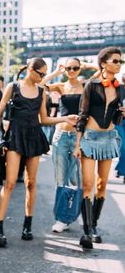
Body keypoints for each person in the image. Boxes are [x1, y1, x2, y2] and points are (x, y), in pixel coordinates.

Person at [0, 58, 78, 247]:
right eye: (42, 74)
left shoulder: (41, 92)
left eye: (45, 74)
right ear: (31, 70)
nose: (43, 77)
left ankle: (27, 225)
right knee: (11, 182)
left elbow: (44, 119)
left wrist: (66, 118)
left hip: (34, 137)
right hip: (14, 136)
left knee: (31, 183)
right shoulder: (12, 87)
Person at [73, 47, 125, 249]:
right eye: (115, 61)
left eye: (120, 62)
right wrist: (78, 144)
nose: (119, 65)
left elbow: (117, 117)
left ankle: (93, 225)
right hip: (89, 138)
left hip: (109, 137)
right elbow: (82, 114)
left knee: (103, 185)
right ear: (104, 63)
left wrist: (122, 113)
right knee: (88, 185)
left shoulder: (121, 88)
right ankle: (87, 231)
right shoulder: (91, 86)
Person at [41, 58, 85, 233]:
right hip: (60, 136)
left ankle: (76, 210)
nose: (72, 71)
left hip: (78, 136)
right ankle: (61, 218)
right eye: (69, 68)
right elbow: (41, 85)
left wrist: (88, 66)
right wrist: (56, 73)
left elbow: (103, 72)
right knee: (61, 178)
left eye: (75, 68)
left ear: (80, 68)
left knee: (76, 178)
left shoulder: (86, 86)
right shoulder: (60, 85)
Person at [115, 73, 125, 183]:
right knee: (123, 147)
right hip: (119, 121)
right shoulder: (118, 89)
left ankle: (121, 169)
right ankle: (122, 170)